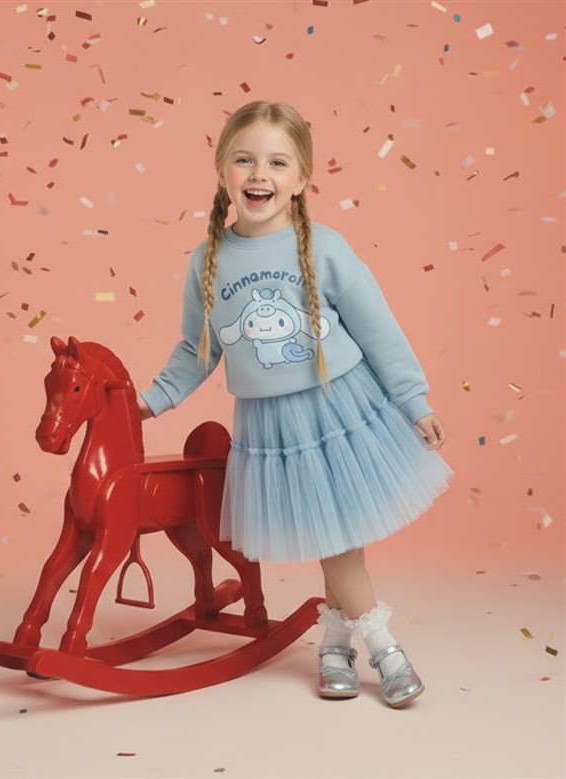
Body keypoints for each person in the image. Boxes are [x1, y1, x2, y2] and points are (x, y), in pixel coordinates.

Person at [138, 101, 453, 707]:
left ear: (302, 178)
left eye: (278, 163)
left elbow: (378, 329)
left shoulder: (325, 248)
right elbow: (197, 350)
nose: (260, 173)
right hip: (273, 427)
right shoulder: (208, 260)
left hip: (340, 411)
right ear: (222, 171)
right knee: (337, 536)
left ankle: (382, 646)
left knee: (338, 539)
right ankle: (335, 643)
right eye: (245, 160)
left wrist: (414, 399)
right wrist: (151, 400)